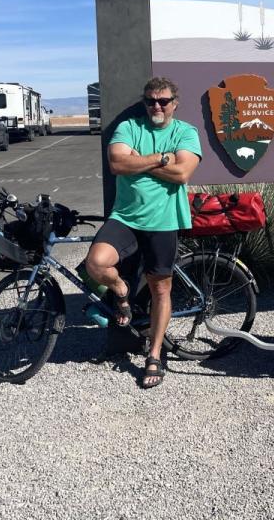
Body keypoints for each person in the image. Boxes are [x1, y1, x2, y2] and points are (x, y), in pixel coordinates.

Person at [85, 77, 201, 389]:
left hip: (163, 221)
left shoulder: (185, 132)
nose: (157, 106)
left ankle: (154, 354)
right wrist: (162, 158)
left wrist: (139, 162)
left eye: (163, 101)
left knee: (160, 290)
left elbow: (183, 172)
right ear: (145, 102)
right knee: (96, 264)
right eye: (151, 100)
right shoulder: (129, 127)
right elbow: (117, 164)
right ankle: (121, 293)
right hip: (125, 218)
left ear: (175, 103)